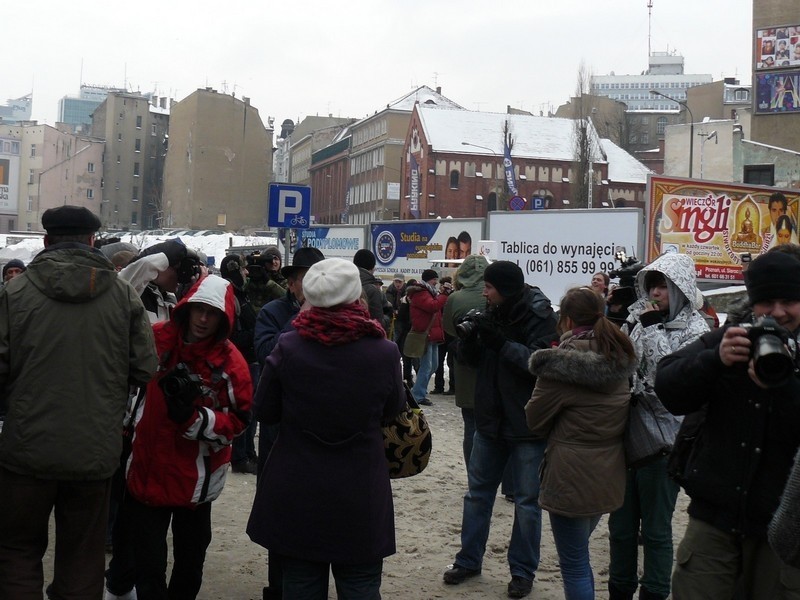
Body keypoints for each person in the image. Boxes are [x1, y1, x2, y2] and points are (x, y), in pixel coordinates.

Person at [0, 205, 158, 600]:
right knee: (83, 557)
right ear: (92, 243)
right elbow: (145, 367)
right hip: (94, 450)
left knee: (17, 550)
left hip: (25, 449)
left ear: (46, 241)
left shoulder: (14, 293)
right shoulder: (123, 296)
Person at [246, 258, 406, 599]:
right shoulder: (384, 351)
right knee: (360, 584)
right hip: (360, 486)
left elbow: (264, 410)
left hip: (298, 484)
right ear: (355, 296)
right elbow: (394, 410)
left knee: (301, 582)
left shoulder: (288, 346)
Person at [655, 251, 800, 598]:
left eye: (789, 301)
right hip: (714, 517)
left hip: (783, 527)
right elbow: (668, 388)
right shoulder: (732, 337)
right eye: (766, 302)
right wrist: (713, 361)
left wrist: (784, 385)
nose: (777, 312)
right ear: (753, 304)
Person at [124, 274, 253, 600]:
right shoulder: (156, 340)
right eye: (199, 310)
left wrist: (196, 420)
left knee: (190, 563)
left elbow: (239, 421)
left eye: (213, 314)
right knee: (147, 566)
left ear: (224, 320)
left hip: (195, 481)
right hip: (148, 471)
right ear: (187, 308)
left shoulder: (231, 365)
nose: (204, 319)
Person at [443, 261, 558, 599]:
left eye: (489, 287)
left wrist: (500, 344)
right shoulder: (490, 310)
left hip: (526, 423)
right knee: (477, 495)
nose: (484, 292)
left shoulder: (540, 314)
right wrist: (471, 344)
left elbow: (540, 363)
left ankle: (522, 572)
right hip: (490, 418)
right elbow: (470, 362)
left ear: (504, 289)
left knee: (526, 503)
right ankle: (468, 560)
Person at [608, 252, 709, 600]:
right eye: (651, 285)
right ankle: (619, 588)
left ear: (679, 288)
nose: (655, 293)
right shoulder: (639, 320)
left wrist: (651, 331)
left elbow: (667, 378)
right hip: (627, 434)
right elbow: (620, 365)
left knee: (654, 529)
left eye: (662, 286)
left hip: (666, 440)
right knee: (620, 526)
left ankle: (654, 591)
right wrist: (617, 321)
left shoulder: (698, 330)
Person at [526, 287, 637, 600]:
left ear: (567, 319)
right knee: (580, 554)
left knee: (574, 563)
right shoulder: (619, 354)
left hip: (570, 473)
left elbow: (534, 419)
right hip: (609, 470)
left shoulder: (559, 367)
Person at [252, 245, 324, 599]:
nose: (310, 286)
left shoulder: (341, 317)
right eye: (303, 279)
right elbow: (265, 352)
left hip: (321, 428)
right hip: (281, 428)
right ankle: (278, 585)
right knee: (280, 510)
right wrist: (302, 321)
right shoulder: (273, 311)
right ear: (293, 284)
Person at [442, 255, 489, 468]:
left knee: (470, 424)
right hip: (493, 368)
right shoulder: (494, 295)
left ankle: (474, 475)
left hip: (465, 368)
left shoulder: (455, 298)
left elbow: (450, 331)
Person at [220, 254, 260, 475]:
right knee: (245, 409)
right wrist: (255, 334)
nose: (246, 273)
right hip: (242, 359)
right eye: (243, 269)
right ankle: (240, 456)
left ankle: (248, 453)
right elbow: (231, 335)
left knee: (251, 410)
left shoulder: (240, 293)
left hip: (250, 359)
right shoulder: (231, 295)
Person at [406, 269, 449, 406]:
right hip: (425, 333)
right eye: (434, 279)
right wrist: (444, 294)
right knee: (427, 365)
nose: (436, 282)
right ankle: (418, 395)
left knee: (434, 365)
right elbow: (433, 306)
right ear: (428, 280)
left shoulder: (429, 291)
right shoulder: (421, 292)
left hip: (431, 333)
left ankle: (417, 390)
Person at [353, 248, 389, 331]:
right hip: (365, 338)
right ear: (372, 268)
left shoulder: (346, 284)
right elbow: (378, 324)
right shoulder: (372, 290)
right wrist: (387, 316)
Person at [433, 276, 456, 395]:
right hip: (442, 332)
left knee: (451, 361)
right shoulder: (439, 297)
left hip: (450, 333)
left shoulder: (453, 297)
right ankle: (439, 386)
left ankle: (452, 387)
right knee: (439, 361)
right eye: (442, 285)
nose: (444, 287)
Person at [246, 247, 286, 311]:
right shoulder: (253, 275)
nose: (273, 262)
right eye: (269, 259)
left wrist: (268, 282)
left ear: (280, 262)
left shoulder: (284, 279)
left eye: (276, 259)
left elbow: (287, 297)